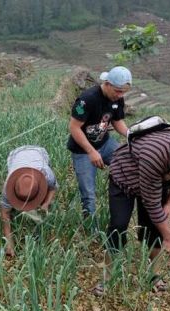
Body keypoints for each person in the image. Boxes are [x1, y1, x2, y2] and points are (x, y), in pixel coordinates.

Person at [93, 128, 170, 295]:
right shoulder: (155, 154)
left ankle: (154, 276)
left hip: (157, 181)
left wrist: (169, 204)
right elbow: (151, 204)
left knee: (154, 229)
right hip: (125, 178)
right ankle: (107, 278)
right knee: (118, 226)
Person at [67, 66, 131, 220]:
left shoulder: (117, 98)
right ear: (107, 83)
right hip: (83, 150)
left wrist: (131, 135)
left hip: (105, 143)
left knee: (127, 164)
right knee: (88, 193)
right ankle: (91, 228)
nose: (120, 95)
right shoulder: (87, 99)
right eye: (117, 91)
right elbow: (74, 128)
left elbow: (116, 121)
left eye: (123, 92)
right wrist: (91, 152)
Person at [0, 146, 58, 257]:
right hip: (15, 155)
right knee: (9, 210)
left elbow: (52, 188)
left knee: (45, 203)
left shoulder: (46, 175)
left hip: (39, 152)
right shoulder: (7, 187)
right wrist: (9, 243)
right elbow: (5, 214)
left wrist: (46, 203)